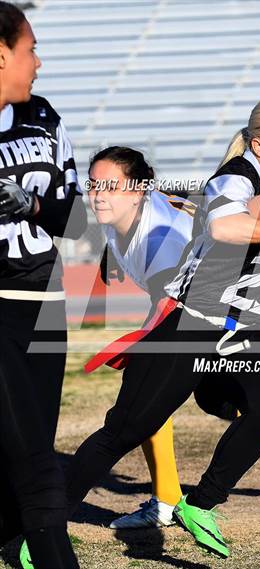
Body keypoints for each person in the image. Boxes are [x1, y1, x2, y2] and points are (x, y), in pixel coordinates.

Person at [66, 91, 260, 559]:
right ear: (259, 146)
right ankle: (37, 525)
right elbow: (226, 228)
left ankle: (199, 504)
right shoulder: (233, 180)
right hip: (193, 323)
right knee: (125, 431)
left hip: (241, 328)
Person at [0, 2, 86, 568]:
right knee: (35, 460)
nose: (39, 61)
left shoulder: (45, 117)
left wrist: (30, 202)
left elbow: (76, 219)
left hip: (45, 303)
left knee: (24, 455)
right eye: (30, 48)